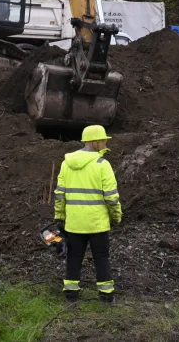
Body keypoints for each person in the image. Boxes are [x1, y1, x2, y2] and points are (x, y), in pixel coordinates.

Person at [54, 125, 122, 304]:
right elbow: (111, 197)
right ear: (96, 141)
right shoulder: (102, 165)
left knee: (74, 257)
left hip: (74, 223)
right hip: (97, 224)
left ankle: (71, 296)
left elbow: (60, 195)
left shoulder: (66, 164)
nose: (106, 143)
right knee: (102, 257)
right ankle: (106, 297)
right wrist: (116, 217)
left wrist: (59, 216)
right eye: (104, 139)